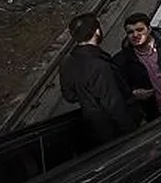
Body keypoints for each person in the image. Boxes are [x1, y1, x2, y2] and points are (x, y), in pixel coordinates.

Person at [59, 13, 137, 145]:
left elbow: (70, 96)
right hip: (117, 132)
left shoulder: (66, 63)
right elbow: (115, 106)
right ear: (97, 31)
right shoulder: (100, 66)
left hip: (94, 130)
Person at [114, 12, 161, 120]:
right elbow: (121, 88)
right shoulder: (124, 60)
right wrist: (133, 94)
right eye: (130, 32)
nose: (135, 35)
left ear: (149, 29)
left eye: (140, 30)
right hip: (158, 114)